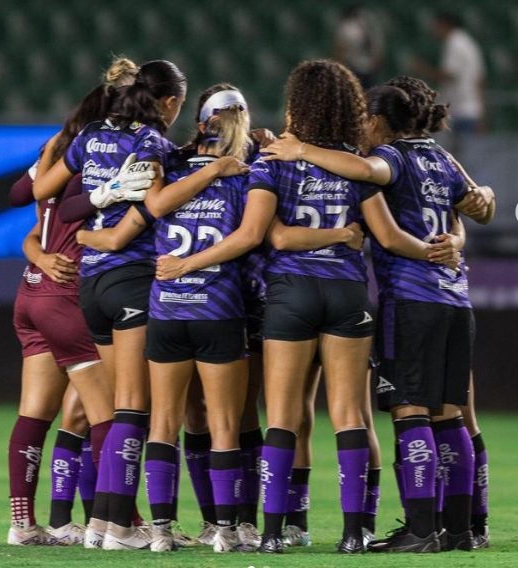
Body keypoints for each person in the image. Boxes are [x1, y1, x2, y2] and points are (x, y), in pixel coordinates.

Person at [155, 60, 457, 554]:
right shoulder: (355, 165)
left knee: (283, 415)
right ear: (347, 107)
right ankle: (355, 532)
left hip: (290, 296)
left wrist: (185, 266)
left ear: (297, 104)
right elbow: (383, 235)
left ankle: (273, 532)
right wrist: (431, 249)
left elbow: (265, 235)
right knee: (349, 415)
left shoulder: (273, 162)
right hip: (346, 295)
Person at [261, 76, 494, 553]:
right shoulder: (442, 158)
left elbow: (365, 175)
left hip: (413, 299)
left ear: (376, 121)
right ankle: (460, 530)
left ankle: (421, 529)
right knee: (451, 416)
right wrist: (470, 224)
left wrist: (300, 148)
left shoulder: (390, 157)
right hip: (455, 299)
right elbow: (479, 205)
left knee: (410, 411)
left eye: (365, 119)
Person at [34, 61, 246, 551]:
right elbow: (157, 204)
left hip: (92, 285)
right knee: (133, 408)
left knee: (115, 408)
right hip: (133, 281)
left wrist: (97, 194)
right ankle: (120, 528)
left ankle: (100, 525)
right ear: (171, 103)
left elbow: (48, 196)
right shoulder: (154, 147)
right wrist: (214, 164)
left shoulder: (90, 135)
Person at [6, 59, 141, 546]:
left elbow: (22, 194)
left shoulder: (60, 147)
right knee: (111, 415)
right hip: (69, 293)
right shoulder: (108, 153)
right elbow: (72, 212)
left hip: (31, 291)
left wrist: (37, 252)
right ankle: (120, 523)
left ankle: (26, 524)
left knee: (35, 413)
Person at [414, 11, 486, 150]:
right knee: (464, 158)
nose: (433, 30)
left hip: (457, 109)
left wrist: (422, 69)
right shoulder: (468, 43)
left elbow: (448, 74)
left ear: (444, 25)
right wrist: (481, 109)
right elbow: (479, 78)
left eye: (435, 26)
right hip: (469, 108)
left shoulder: (455, 43)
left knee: (450, 157)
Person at [333, 3, 384, 88]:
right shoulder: (369, 25)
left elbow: (340, 48)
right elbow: (340, 48)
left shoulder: (348, 27)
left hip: (360, 66)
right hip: (357, 65)